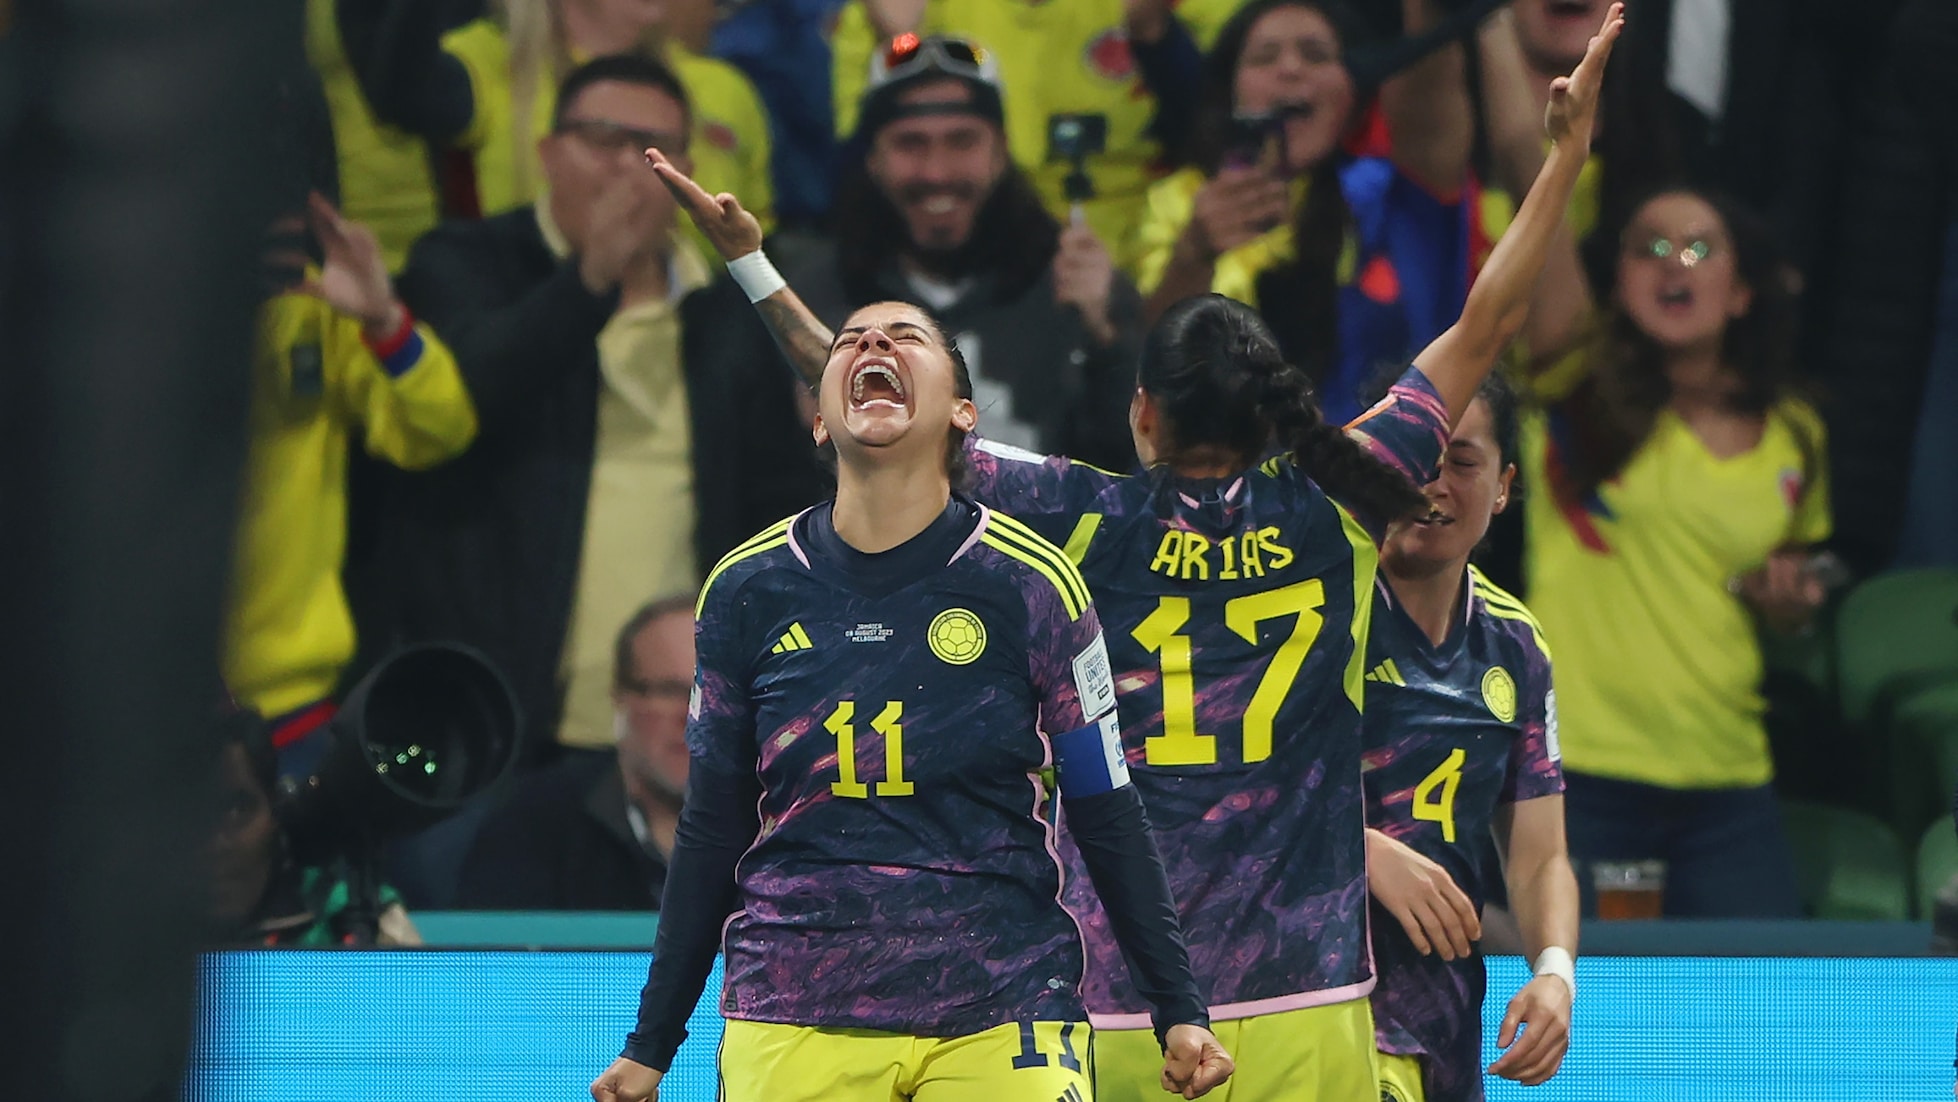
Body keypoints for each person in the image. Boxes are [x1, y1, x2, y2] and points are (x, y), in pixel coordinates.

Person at [643, 6, 1617, 1096]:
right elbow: (1483, 320)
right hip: (1309, 1000)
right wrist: (1561, 156)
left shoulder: (1074, 516)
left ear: (1142, 414)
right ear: (1273, 411)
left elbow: (876, 395)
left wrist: (751, 266)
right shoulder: (1336, 508)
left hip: (1125, 1009)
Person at [587, 297, 1234, 1101]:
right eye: (851, 340)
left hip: (1001, 1003)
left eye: (907, 336)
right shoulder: (746, 589)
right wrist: (652, 1043)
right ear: (821, 421)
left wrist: (1178, 1005)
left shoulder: (1032, 585)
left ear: (964, 413)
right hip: (796, 1004)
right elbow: (713, 823)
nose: (874, 343)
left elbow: (1105, 807)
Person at [347, 54, 822, 764]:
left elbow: (773, 509)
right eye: (604, 140)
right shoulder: (462, 263)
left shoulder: (729, 315)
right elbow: (455, 409)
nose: (630, 170)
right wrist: (589, 280)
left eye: (657, 153)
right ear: (547, 153)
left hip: (675, 729)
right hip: (488, 718)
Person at [1512, 182, 1830, 916]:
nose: (1672, 266)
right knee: (1603, 1018)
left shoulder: (1797, 434)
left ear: (1743, 291)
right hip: (1589, 776)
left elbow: (1791, 581)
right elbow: (1540, 208)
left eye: (1698, 248)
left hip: (1729, 776)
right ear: (1618, 282)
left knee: (1751, 1016)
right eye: (1649, 248)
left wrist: (1791, 603)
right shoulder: (1573, 400)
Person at [1358, 372, 1580, 1102]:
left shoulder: (1516, 646)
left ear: (1505, 485)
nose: (1434, 483)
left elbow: (1541, 854)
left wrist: (1553, 970)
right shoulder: (1313, 613)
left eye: (1462, 461)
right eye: (1416, 457)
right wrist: (1359, 848)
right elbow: (1221, 798)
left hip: (1447, 1023)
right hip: (1321, 1002)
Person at [776, 33, 1143, 470]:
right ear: (872, 159)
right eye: (911, 144)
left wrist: (1107, 342)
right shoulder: (813, 302)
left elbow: (1131, 475)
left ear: (1000, 153)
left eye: (962, 141)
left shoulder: (1075, 285)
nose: (937, 172)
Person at [1129, 0, 1482, 425]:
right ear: (1230, 88)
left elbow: (1430, 98)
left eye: (1316, 55)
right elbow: (1151, 371)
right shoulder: (1180, 201)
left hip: (1377, 475)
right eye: (1264, 57)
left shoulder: (1384, 192)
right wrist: (1193, 253)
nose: (1291, 69)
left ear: (1351, 94)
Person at [227, 188, 476, 774]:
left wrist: (385, 320)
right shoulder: (103, 311)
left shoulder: (311, 307)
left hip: (289, 708)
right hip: (125, 703)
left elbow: (437, 430)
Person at [354, 0, 774, 260]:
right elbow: (399, 91)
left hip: (695, 347)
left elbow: (763, 249)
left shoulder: (725, 90)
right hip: (532, 326)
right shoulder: (493, 63)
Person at [829, 0, 1202, 248]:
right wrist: (898, 40)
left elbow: (1210, 143)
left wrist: (1157, 36)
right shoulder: (899, 9)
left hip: (1135, 252)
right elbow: (854, 179)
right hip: (964, 251)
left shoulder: (1143, 7)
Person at [455, 597, 694, 910]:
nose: (694, 714)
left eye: (722, 690)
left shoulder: (780, 826)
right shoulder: (533, 823)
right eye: (669, 691)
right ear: (620, 697)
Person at [207, 703, 421, 947]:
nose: (216, 843)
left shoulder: (355, 917)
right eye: (190, 817)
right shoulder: (154, 937)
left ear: (276, 812)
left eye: (238, 812)